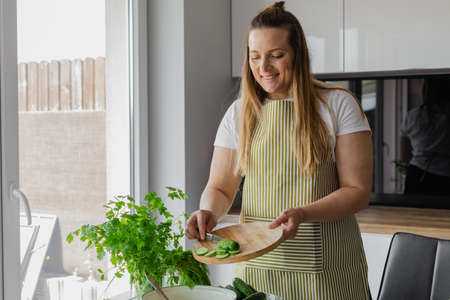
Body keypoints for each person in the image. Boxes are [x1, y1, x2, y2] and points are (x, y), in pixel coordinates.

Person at [185, 2, 373, 299]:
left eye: (276, 55)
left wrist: (303, 213)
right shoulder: (239, 113)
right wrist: (207, 212)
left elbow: (357, 190)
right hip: (255, 267)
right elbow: (220, 187)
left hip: (325, 271)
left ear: (298, 55)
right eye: (255, 57)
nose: (264, 68)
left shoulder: (337, 105)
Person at [400, 77, 450, 196]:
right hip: (446, 176)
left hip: (417, 174)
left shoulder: (412, 116)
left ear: (425, 91)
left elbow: (404, 157)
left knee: (413, 213)